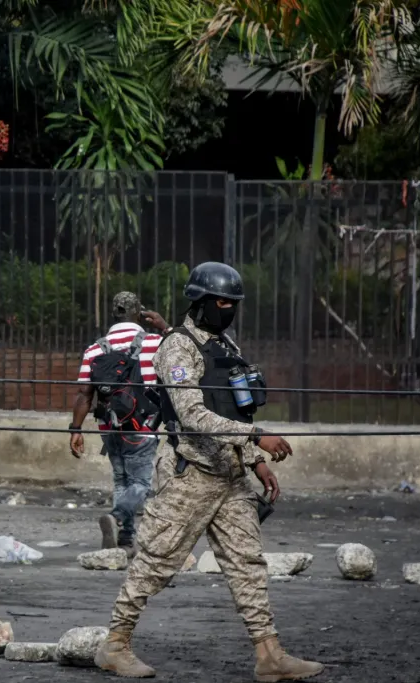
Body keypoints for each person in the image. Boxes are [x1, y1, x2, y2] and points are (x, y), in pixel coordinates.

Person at [94, 262, 323, 681]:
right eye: (222, 302)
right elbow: (193, 415)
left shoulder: (226, 347)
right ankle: (114, 646)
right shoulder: (178, 348)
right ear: (200, 303)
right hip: (190, 474)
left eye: (233, 303)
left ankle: (269, 655)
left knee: (247, 564)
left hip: (231, 477)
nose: (229, 309)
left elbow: (234, 405)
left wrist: (254, 461)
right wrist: (256, 436)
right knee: (156, 562)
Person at [69, 292, 168, 555]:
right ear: (139, 313)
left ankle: (123, 541)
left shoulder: (95, 348)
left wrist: (75, 430)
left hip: (108, 426)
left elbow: (84, 395)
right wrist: (164, 326)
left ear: (115, 314)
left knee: (122, 481)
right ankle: (117, 516)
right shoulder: (155, 342)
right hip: (142, 426)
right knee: (142, 484)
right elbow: (184, 350)